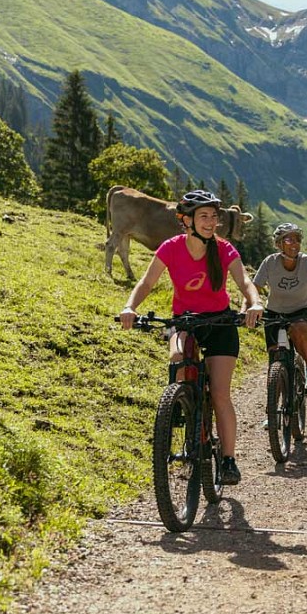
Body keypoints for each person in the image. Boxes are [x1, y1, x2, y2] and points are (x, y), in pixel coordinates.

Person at [119, 190, 264, 485]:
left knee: (221, 393)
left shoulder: (224, 250)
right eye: (204, 216)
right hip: (185, 322)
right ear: (186, 221)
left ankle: (227, 459)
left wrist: (255, 302)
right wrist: (129, 307)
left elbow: (245, 281)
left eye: (214, 216)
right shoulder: (171, 248)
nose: (211, 222)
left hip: (220, 324)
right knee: (177, 357)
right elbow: (147, 282)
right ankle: (181, 406)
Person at [252, 222, 307, 388]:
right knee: (274, 354)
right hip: (274, 312)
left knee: (298, 329)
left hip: (301, 310)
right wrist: (248, 309)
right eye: (289, 240)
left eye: (297, 239)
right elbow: (254, 289)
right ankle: (274, 405)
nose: (294, 244)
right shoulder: (270, 262)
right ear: (279, 244)